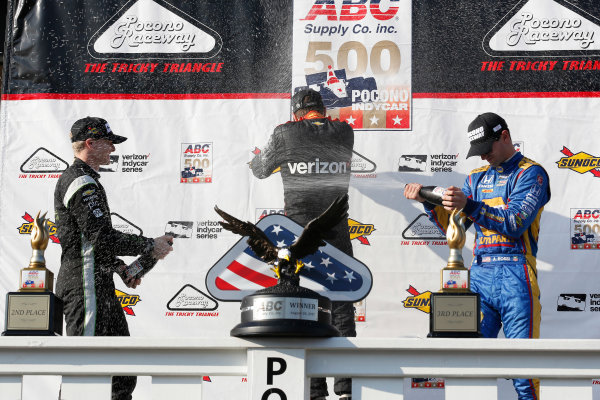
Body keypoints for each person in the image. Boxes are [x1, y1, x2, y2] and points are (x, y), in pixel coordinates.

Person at [404, 112, 550, 400]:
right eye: (479, 152)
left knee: (524, 372)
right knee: (465, 360)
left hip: (517, 275)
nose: (484, 157)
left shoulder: (532, 173)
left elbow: (515, 222)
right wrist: (428, 204)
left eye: (487, 149)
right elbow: (454, 229)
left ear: (505, 137)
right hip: (480, 276)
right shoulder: (475, 178)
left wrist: (469, 204)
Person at [54, 116, 174, 400]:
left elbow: (93, 243)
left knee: (120, 371)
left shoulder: (86, 180)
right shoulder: (80, 181)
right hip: (85, 287)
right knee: (85, 372)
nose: (113, 150)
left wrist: (121, 267)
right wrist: (149, 245)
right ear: (90, 143)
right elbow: (102, 238)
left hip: (97, 284)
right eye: (109, 143)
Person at [250, 89, 355, 400]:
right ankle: (346, 388)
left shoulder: (284, 133)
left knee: (301, 303)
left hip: (295, 235)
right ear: (322, 108)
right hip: (336, 229)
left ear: (296, 112)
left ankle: (314, 390)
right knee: (342, 301)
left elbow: (259, 169)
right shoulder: (345, 131)